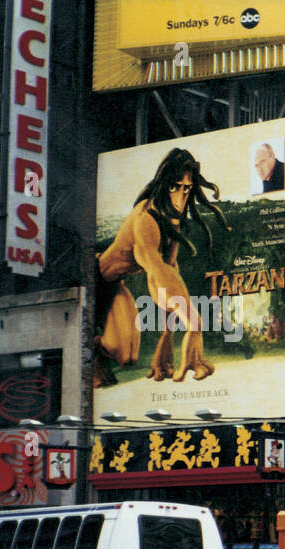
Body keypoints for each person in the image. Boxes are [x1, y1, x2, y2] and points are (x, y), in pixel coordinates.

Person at [95, 147, 227, 386]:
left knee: (127, 357)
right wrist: (192, 322)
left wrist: (168, 332)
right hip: (96, 281)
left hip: (116, 284)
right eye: (175, 186)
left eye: (186, 189)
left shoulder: (171, 218)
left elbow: (170, 269)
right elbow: (156, 272)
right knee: (118, 349)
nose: (180, 196)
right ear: (164, 184)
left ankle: (99, 347)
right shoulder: (145, 217)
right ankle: (92, 346)